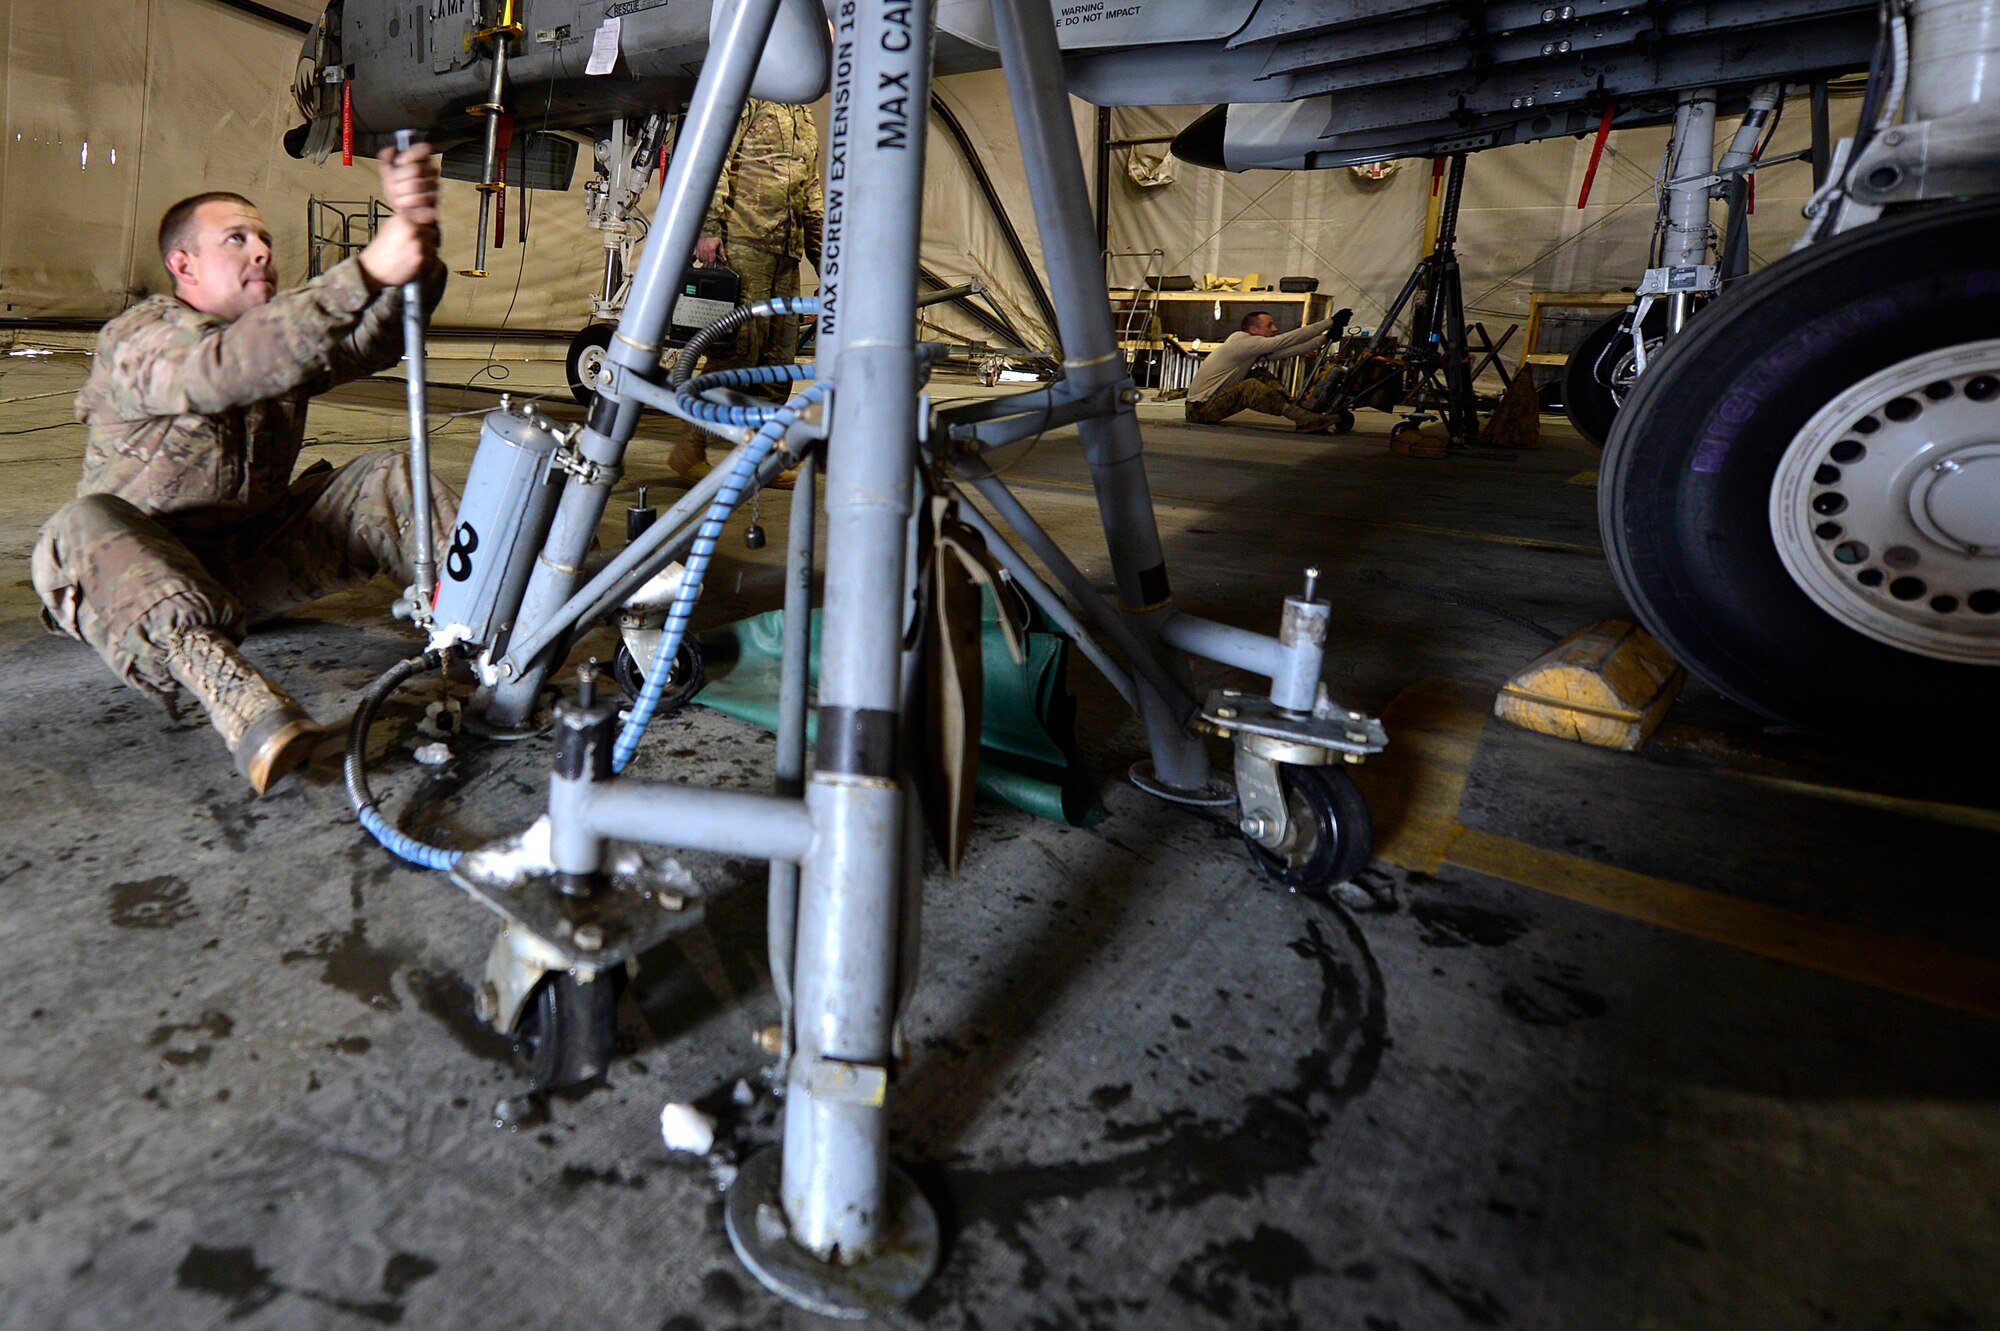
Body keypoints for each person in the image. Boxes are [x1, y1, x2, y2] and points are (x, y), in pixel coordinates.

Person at [31, 144, 458, 794]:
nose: (261, 251)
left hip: (244, 569)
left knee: (384, 477)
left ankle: (489, 629)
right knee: (76, 526)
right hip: (140, 588)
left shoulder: (278, 341)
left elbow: (371, 340)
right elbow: (218, 370)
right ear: (183, 265)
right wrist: (366, 269)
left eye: (264, 239)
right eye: (236, 239)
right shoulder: (141, 337)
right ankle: (243, 705)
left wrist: (418, 244)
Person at [669, 98, 824, 486]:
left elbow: (811, 191)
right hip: (742, 245)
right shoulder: (750, 97)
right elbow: (714, 160)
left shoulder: (804, 116)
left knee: (778, 358)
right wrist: (708, 228)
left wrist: (825, 258)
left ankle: (763, 453)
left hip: (785, 253)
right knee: (736, 355)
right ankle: (690, 448)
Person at [1183, 308, 1352, 430]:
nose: (1275, 329)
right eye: (1269, 325)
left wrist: (1325, 339)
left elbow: (1290, 350)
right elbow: (1286, 340)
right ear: (1253, 330)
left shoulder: (1248, 348)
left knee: (1259, 374)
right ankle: (1302, 418)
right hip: (1199, 410)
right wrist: (1330, 322)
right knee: (1250, 386)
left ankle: (1301, 412)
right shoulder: (1243, 344)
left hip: (1208, 404)